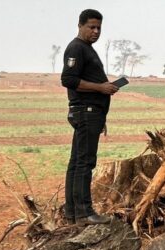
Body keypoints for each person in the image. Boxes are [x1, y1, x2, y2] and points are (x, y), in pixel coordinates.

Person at [60, 8, 118, 224]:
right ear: (80, 26)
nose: (95, 31)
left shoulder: (86, 49)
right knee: (85, 163)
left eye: (99, 28)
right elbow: (69, 80)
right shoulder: (76, 48)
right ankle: (84, 212)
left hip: (91, 113)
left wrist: (102, 115)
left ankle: (72, 212)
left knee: (77, 162)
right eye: (91, 27)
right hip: (85, 111)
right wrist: (101, 88)